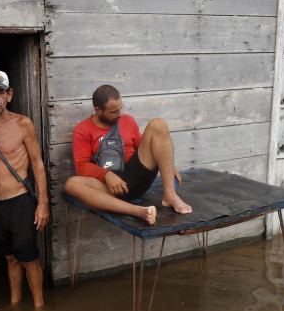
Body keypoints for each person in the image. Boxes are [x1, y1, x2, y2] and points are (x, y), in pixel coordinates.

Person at [0, 69, 50, 308]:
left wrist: (43, 204)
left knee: (28, 259)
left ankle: (39, 309)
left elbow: (37, 163)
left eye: (0, 92)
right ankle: (15, 304)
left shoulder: (22, 124)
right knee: (9, 258)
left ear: (9, 95)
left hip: (20, 203)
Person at [65, 84, 192, 225]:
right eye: (113, 112)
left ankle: (170, 195)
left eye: (120, 109)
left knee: (158, 124)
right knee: (72, 184)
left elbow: (145, 146)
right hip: (110, 188)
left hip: (136, 177)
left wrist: (168, 165)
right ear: (98, 110)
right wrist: (107, 175)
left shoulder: (128, 121)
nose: (119, 114)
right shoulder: (82, 130)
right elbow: (82, 166)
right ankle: (138, 211)